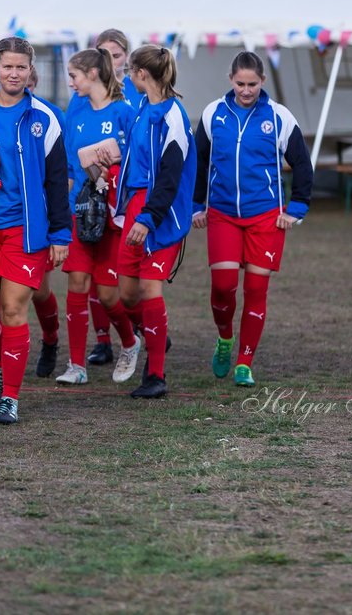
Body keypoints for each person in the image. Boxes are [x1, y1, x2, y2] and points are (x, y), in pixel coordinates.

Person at [0, 37, 70, 424]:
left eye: (21, 67)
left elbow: (57, 180)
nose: (14, 73)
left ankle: (10, 398)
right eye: (8, 66)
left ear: (30, 70)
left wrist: (60, 235)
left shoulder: (46, 116)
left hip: (25, 231)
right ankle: (7, 363)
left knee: (13, 309)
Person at [192, 51, 313, 388]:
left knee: (256, 288)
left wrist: (297, 208)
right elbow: (199, 161)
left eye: (253, 84)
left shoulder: (279, 117)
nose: (246, 90)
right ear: (230, 80)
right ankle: (225, 338)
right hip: (222, 214)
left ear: (263, 81)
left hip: (266, 218)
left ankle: (244, 361)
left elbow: (302, 164)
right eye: (240, 84)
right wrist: (194, 206)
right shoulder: (213, 113)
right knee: (223, 287)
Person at [56, 46, 140, 385]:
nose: (71, 83)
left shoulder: (125, 112)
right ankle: (76, 366)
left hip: (112, 218)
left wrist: (112, 172)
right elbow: (71, 172)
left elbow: (138, 164)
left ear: (92, 74)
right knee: (76, 283)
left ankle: (130, 343)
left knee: (108, 295)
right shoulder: (76, 114)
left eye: (74, 76)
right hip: (82, 212)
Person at [116, 45, 196, 399]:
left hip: (160, 214)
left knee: (150, 289)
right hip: (136, 206)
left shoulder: (173, 115)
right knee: (126, 294)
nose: (128, 78)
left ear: (141, 74)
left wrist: (150, 218)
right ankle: (156, 332)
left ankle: (156, 374)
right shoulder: (141, 108)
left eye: (130, 72)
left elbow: (169, 175)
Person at [24, 65, 65, 377]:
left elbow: (60, 175)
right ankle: (3, 355)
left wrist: (56, 223)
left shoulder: (49, 116)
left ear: (33, 81)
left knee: (37, 290)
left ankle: (50, 339)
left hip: (39, 217)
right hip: (4, 218)